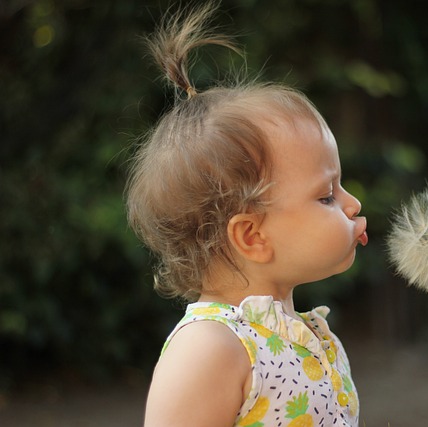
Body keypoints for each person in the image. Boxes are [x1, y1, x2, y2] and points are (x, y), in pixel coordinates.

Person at [125, 4, 368, 426]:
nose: (353, 205)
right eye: (327, 195)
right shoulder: (209, 349)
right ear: (252, 236)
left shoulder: (310, 338)